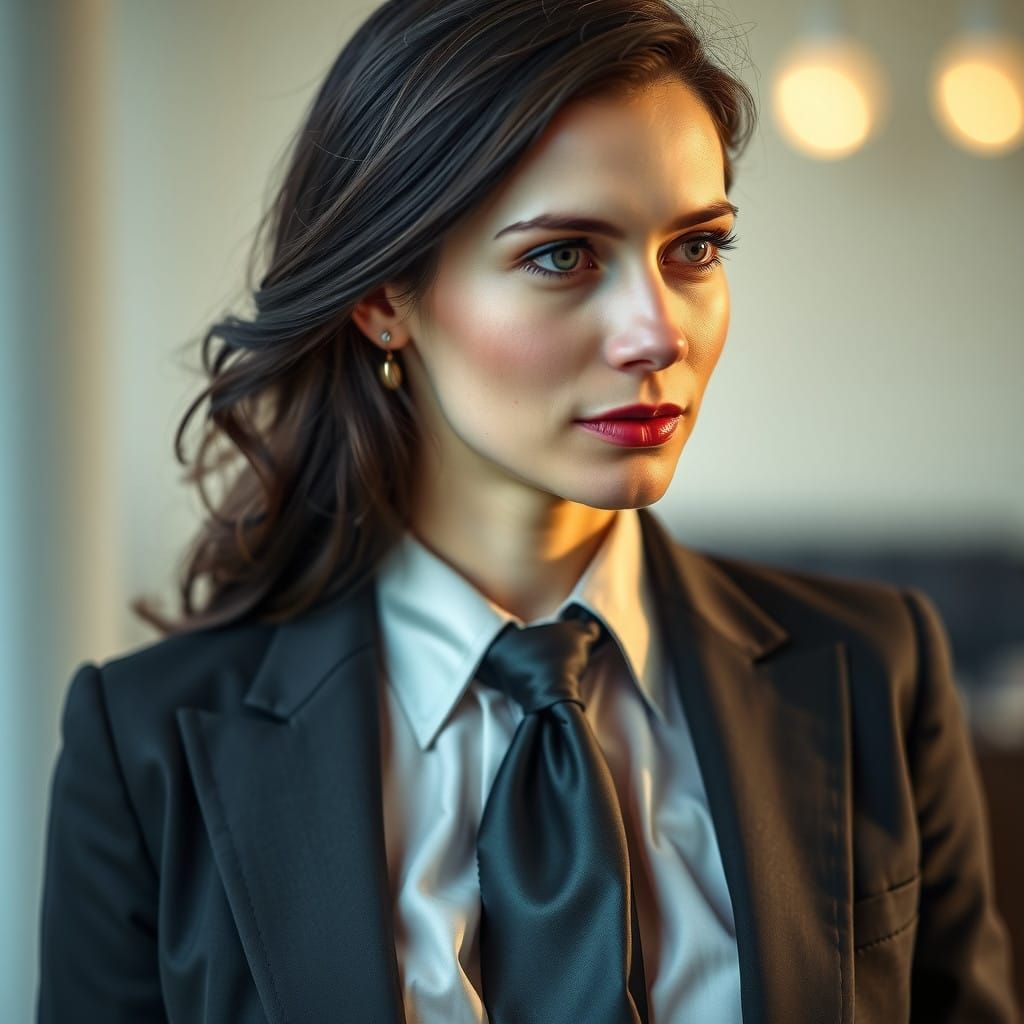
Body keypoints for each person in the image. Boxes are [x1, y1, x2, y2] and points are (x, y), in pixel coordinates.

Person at [36, 0, 1019, 1021]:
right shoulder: (146, 746)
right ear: (384, 297)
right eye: (563, 255)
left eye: (694, 250)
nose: (655, 333)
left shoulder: (873, 670)